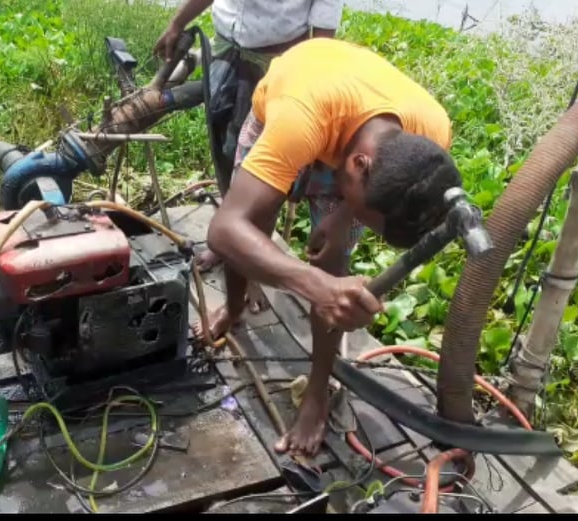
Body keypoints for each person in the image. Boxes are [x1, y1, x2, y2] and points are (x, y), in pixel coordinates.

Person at [196, 37, 463, 458]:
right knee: (254, 224)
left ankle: (318, 390)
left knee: (335, 267)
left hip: (352, 134)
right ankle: (233, 306)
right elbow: (226, 228)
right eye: (365, 215)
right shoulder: (298, 119)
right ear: (358, 167)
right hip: (293, 103)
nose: (362, 221)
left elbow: (369, 202)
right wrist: (314, 285)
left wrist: (342, 220)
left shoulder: (431, 133)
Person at [154, 0, 345, 281]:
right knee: (225, 147)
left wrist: (304, 87)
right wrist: (176, 24)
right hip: (226, 49)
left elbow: (323, 37)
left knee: (264, 169)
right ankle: (228, 241)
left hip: (277, 64)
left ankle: (251, 268)